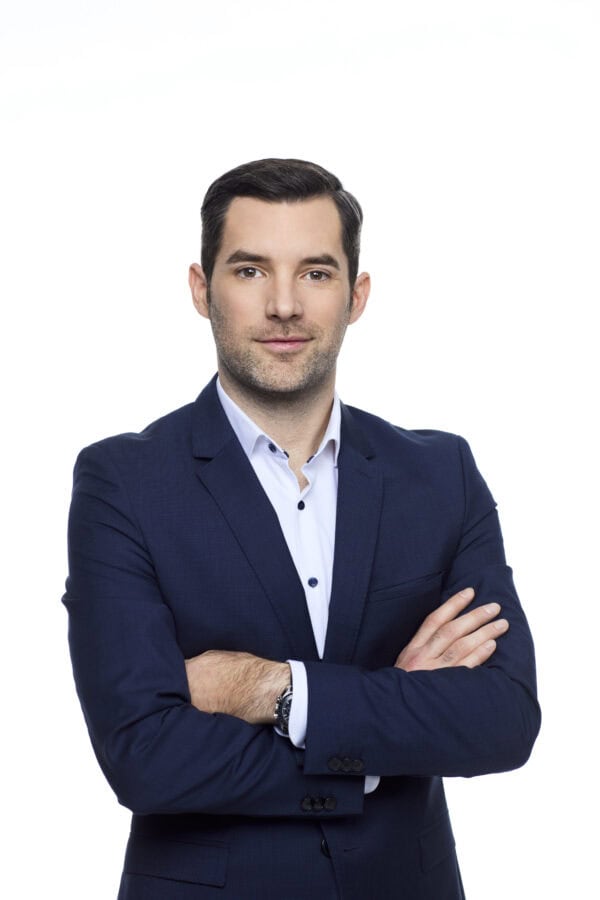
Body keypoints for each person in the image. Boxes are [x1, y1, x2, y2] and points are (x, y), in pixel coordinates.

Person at [62, 158, 540, 900]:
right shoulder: (123, 482)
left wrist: (276, 690)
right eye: (250, 271)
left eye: (316, 273)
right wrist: (385, 727)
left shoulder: (440, 474)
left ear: (357, 295)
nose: (283, 305)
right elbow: (143, 755)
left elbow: (502, 720)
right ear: (202, 289)